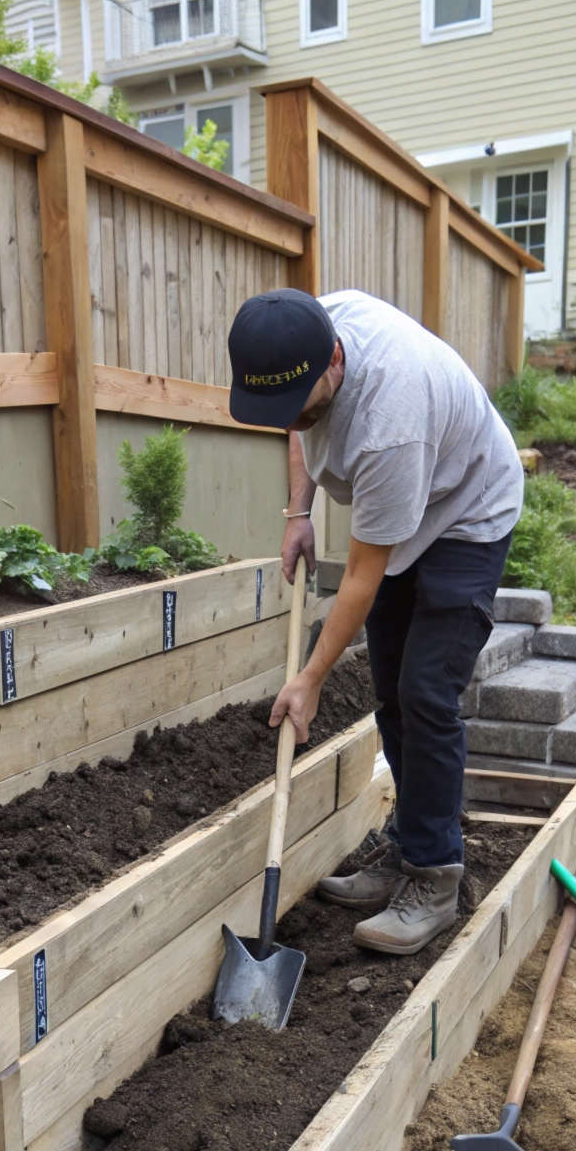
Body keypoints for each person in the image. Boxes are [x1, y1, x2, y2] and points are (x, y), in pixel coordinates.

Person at [228, 287, 524, 956]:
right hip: (403, 507)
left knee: (425, 691)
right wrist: (297, 513)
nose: (293, 417)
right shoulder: (301, 331)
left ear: (334, 360)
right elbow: (298, 422)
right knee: (388, 688)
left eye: (300, 400)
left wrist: (308, 678)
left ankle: (436, 877)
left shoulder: (391, 417)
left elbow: (361, 575)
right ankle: (404, 849)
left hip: (466, 511)